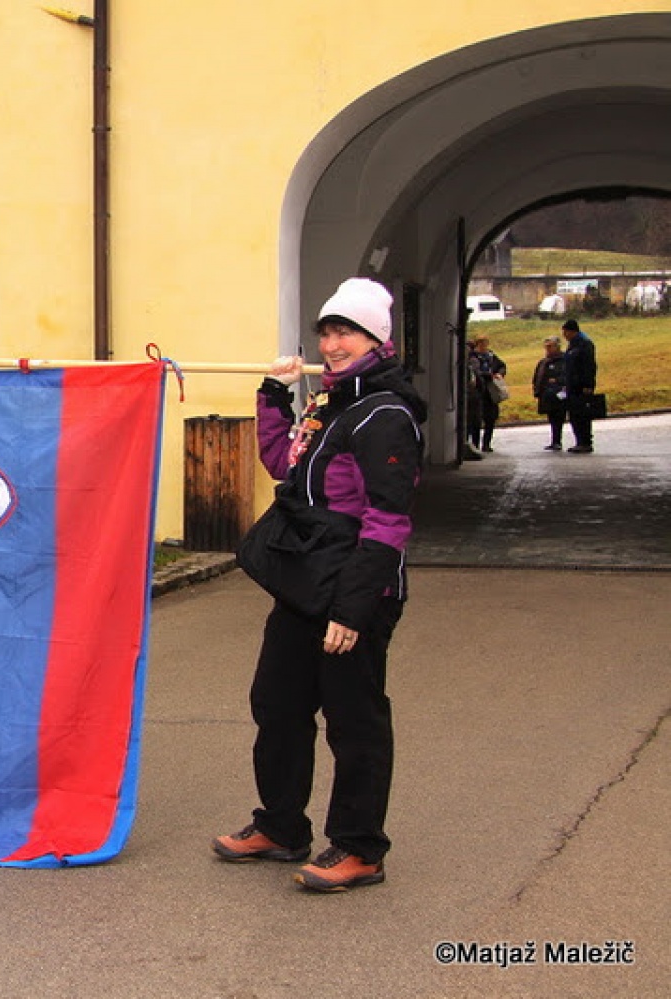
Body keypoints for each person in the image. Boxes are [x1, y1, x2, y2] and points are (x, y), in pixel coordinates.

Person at [214, 277, 426, 893]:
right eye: (328, 332)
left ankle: (360, 848)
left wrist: (354, 609)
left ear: (375, 340)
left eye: (346, 332)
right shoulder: (331, 403)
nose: (332, 344)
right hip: (305, 584)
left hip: (356, 590)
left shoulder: (386, 413)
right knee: (276, 704)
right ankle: (281, 826)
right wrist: (275, 395)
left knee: (353, 720)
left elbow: (389, 521)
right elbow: (286, 465)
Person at [561, 318, 598, 453]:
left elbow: (589, 366)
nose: (564, 335)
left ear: (572, 331)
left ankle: (586, 442)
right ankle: (579, 441)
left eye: (565, 332)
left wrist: (588, 384)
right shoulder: (572, 345)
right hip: (572, 386)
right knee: (574, 415)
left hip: (581, 386)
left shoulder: (585, 344)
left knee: (583, 415)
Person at [468, 335, 507, 453]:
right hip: (479, 390)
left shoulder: (491, 355)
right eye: (482, 344)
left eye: (485, 344)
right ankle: (475, 444)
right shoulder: (473, 357)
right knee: (476, 419)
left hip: (491, 391)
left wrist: (500, 373)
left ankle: (486, 444)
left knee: (491, 418)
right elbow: (475, 371)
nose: (484, 347)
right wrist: (488, 375)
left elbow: (502, 366)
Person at [532, 335, 569, 451]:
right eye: (546, 346)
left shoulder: (564, 360)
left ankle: (557, 441)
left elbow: (566, 376)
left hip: (559, 394)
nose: (548, 349)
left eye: (550, 346)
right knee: (552, 418)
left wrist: (558, 381)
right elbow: (537, 376)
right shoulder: (543, 362)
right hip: (546, 395)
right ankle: (554, 441)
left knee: (558, 418)